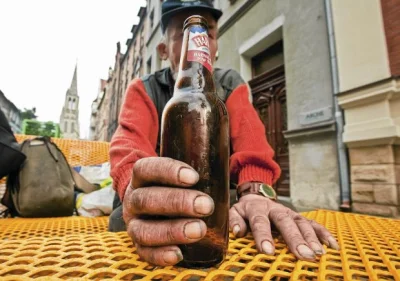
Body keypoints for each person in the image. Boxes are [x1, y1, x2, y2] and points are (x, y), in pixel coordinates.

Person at [109, 0, 339, 267]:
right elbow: (127, 145)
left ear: (214, 47)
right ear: (163, 50)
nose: (198, 40)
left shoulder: (229, 84)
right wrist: (137, 191)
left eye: (208, 33)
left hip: (219, 199)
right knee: (121, 220)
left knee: (270, 215)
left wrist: (255, 192)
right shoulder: (143, 89)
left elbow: (253, 144)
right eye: (185, 34)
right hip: (165, 205)